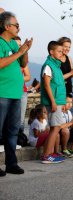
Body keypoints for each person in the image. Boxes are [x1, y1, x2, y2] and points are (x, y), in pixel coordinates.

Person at [0, 11, 33, 176]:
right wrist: (19, 52)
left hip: (15, 94)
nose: (18, 28)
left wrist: (24, 50)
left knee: (12, 131)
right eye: (16, 25)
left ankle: (11, 163)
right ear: (7, 26)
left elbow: (23, 62)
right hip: (2, 93)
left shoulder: (13, 43)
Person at [40, 41, 66, 164]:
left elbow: (59, 85)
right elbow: (46, 85)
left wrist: (62, 102)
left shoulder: (56, 66)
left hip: (58, 101)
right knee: (55, 128)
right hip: (53, 102)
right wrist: (53, 102)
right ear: (51, 52)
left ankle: (49, 154)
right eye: (59, 51)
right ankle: (47, 156)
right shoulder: (48, 65)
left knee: (55, 128)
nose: (62, 53)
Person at [14, 36, 31, 135]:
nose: (18, 47)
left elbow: (28, 77)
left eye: (20, 45)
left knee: (21, 118)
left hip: (22, 91)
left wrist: (16, 79)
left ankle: (20, 139)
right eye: (16, 45)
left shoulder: (23, 61)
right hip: (10, 91)